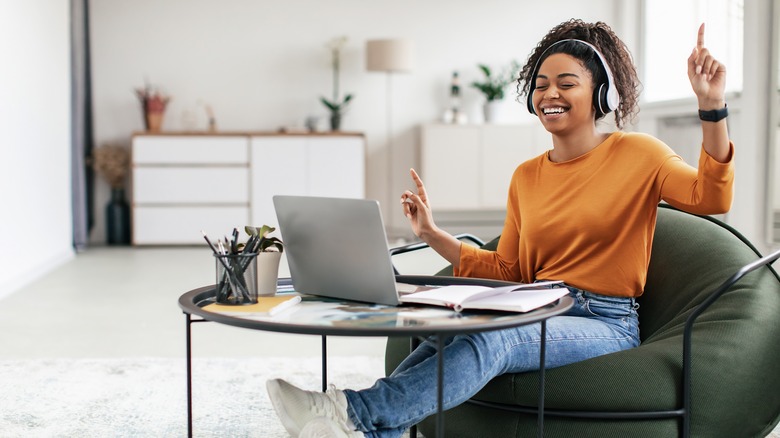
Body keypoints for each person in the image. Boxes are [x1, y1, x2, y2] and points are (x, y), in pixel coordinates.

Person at [266, 18, 734, 438]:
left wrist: (712, 107)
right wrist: (431, 234)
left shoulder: (639, 153)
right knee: (442, 337)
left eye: (566, 83)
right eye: (541, 85)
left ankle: (347, 411)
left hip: (605, 320)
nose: (550, 94)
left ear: (601, 96)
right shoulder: (527, 176)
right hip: (538, 303)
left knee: (490, 339)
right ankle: (364, 429)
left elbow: (711, 198)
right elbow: (510, 270)